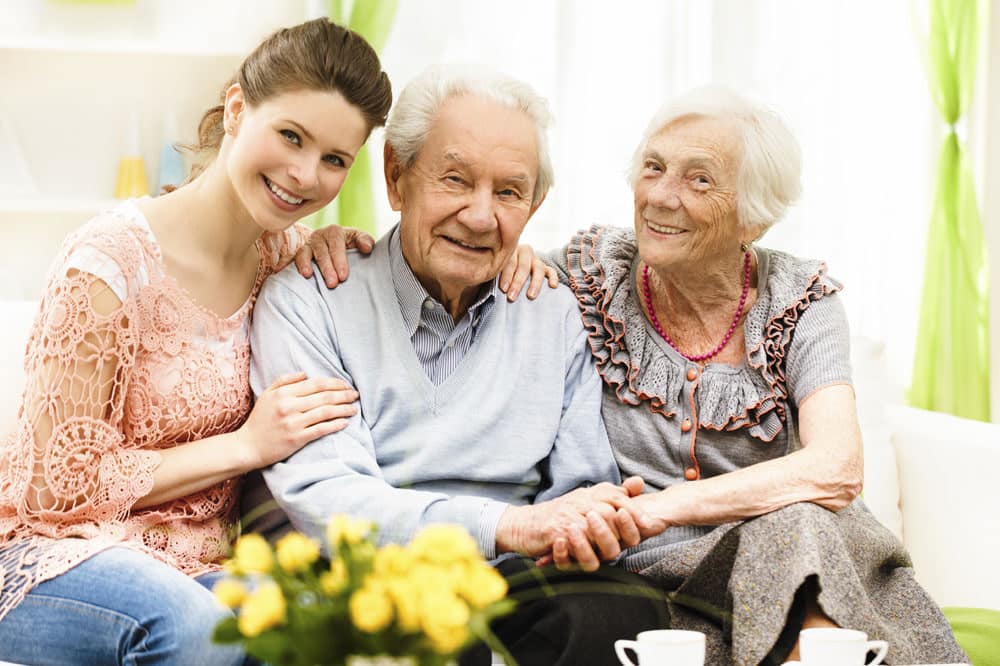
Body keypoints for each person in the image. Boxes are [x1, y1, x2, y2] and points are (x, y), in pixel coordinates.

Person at [246, 65, 671, 666]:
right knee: (433, 634)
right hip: (374, 565)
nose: (479, 216)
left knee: (620, 610)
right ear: (396, 178)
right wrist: (504, 526)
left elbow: (579, 482)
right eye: (455, 179)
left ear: (534, 205)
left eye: (508, 192)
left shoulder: (551, 308)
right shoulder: (312, 298)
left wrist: (593, 519)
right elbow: (329, 494)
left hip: (517, 572)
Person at [0, 18, 392, 665]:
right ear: (237, 109)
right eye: (290, 136)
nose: (303, 174)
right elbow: (52, 486)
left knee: (320, 620)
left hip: (199, 564)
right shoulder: (107, 266)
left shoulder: (290, 263)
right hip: (52, 552)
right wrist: (246, 445)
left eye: (333, 160)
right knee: (192, 624)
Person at [530, 86, 967, 665]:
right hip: (670, 587)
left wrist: (661, 507)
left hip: (810, 560)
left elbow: (836, 468)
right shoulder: (592, 273)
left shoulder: (799, 302)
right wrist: (367, 250)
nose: (661, 196)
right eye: (654, 168)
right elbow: (471, 256)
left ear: (754, 219)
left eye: (700, 179)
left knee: (795, 521)